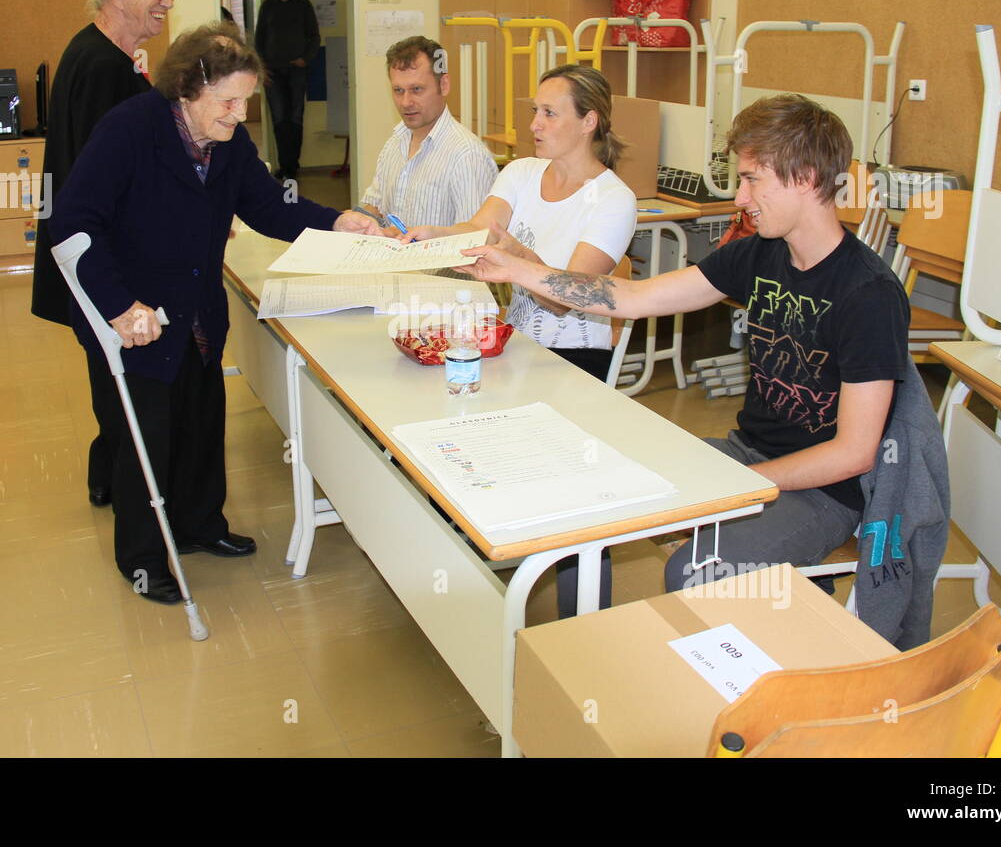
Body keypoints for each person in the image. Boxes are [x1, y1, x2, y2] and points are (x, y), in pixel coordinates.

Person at [462, 93, 911, 595]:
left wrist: (747, 482)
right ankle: (584, 640)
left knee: (694, 572)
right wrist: (518, 268)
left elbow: (853, 454)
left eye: (751, 179)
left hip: (823, 492)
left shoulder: (868, 295)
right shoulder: (759, 255)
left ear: (804, 178)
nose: (740, 198)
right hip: (742, 456)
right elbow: (630, 297)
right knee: (585, 487)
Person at [49, 21, 386, 605]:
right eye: (228, 101)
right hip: (135, 312)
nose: (239, 114)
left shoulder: (227, 143)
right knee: (144, 438)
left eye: (247, 101)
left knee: (200, 421)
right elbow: (74, 220)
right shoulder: (130, 131)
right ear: (186, 90)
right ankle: (144, 557)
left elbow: (265, 204)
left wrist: (335, 220)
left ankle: (200, 524)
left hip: (196, 310)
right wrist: (120, 308)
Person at [403, 64, 637, 617]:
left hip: (577, 358)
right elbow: (480, 227)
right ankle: (482, 567)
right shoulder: (522, 173)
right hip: (524, 344)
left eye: (548, 113)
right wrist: (423, 235)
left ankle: (582, 613)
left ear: (588, 122)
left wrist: (519, 259)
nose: (534, 123)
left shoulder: (611, 200)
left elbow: (570, 296)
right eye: (534, 110)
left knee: (573, 484)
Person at [31, 0, 175, 508]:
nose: (166, 2)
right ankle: (130, 494)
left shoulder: (99, 56)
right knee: (123, 387)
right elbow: (106, 185)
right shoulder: (103, 68)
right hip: (107, 261)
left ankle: (108, 475)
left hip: (98, 255)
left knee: (110, 379)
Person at [358, 36, 496, 229]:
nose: (406, 102)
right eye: (398, 90)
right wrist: (354, 221)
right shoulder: (394, 143)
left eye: (416, 89)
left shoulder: (467, 156)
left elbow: (473, 242)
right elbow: (376, 207)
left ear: (444, 85)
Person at [253, 0, 320, 179]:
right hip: (273, 72)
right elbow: (259, 40)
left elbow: (314, 37)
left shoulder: (303, 6)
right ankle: (284, 166)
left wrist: (305, 59)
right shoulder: (268, 6)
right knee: (280, 120)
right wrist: (262, 69)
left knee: (295, 119)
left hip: (297, 71)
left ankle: (293, 167)